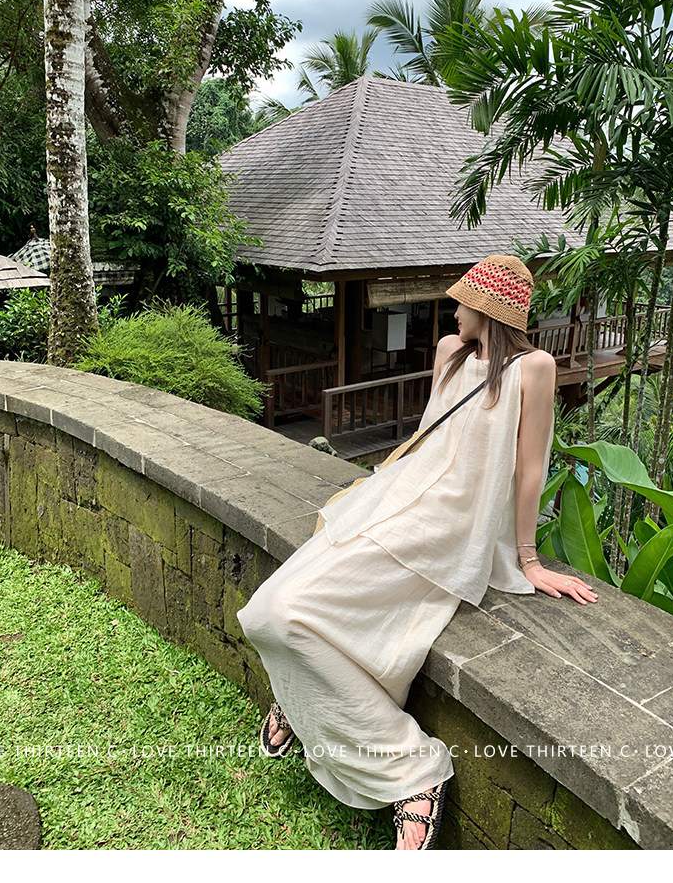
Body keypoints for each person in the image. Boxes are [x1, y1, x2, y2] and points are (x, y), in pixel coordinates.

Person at [237, 255, 598, 851]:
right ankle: (302, 704)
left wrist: (529, 560)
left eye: (463, 301)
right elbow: (434, 441)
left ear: (488, 309)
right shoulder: (449, 352)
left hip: (449, 527)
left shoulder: (534, 368)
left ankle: (411, 769)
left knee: (284, 613)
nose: (453, 311)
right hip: (396, 497)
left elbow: (530, 469)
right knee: (266, 612)